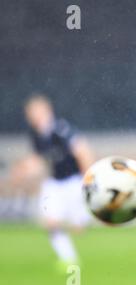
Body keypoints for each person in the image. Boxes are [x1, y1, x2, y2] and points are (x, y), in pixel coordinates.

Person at [13, 94, 94, 269]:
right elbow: (39, 159)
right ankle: (68, 259)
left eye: (35, 112)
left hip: (74, 181)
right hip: (54, 183)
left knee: (78, 227)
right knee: (50, 222)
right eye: (30, 113)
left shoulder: (61, 129)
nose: (32, 116)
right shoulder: (36, 135)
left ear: (46, 111)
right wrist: (23, 169)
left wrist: (88, 177)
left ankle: (82, 218)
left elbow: (82, 150)